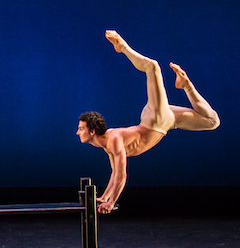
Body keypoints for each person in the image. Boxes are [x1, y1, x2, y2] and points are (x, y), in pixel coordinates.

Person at [77, 30, 220, 214]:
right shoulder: (106, 144)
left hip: (155, 120)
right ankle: (186, 86)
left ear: (92, 131)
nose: (77, 132)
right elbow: (114, 174)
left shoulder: (114, 139)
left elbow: (122, 175)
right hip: (165, 123)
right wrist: (104, 197)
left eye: (81, 128)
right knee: (212, 121)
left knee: (152, 66)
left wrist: (111, 203)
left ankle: (123, 47)